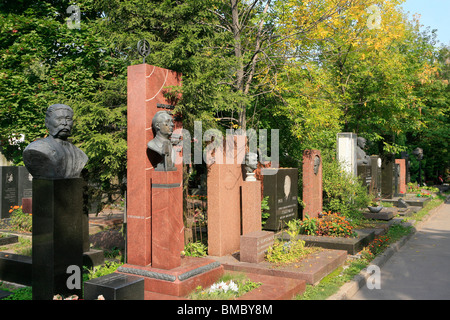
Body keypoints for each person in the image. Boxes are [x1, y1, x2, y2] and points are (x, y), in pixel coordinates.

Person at [23, 104, 88, 179]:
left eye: (68, 119)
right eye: (59, 119)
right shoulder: (36, 149)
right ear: (47, 122)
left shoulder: (80, 154)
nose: (64, 123)